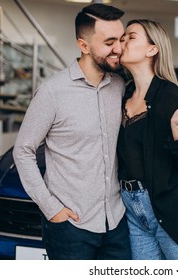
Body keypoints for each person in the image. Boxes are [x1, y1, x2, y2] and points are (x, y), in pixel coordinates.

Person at [12, 3, 131, 260]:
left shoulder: (120, 86)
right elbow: (23, 151)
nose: (119, 49)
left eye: (121, 39)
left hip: (117, 222)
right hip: (70, 226)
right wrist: (51, 207)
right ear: (84, 45)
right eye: (110, 41)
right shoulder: (53, 92)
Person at [117, 19, 178, 260]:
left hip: (168, 206)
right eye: (122, 37)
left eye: (130, 37)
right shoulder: (122, 92)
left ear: (152, 49)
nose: (122, 41)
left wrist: (176, 128)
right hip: (132, 209)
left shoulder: (170, 95)